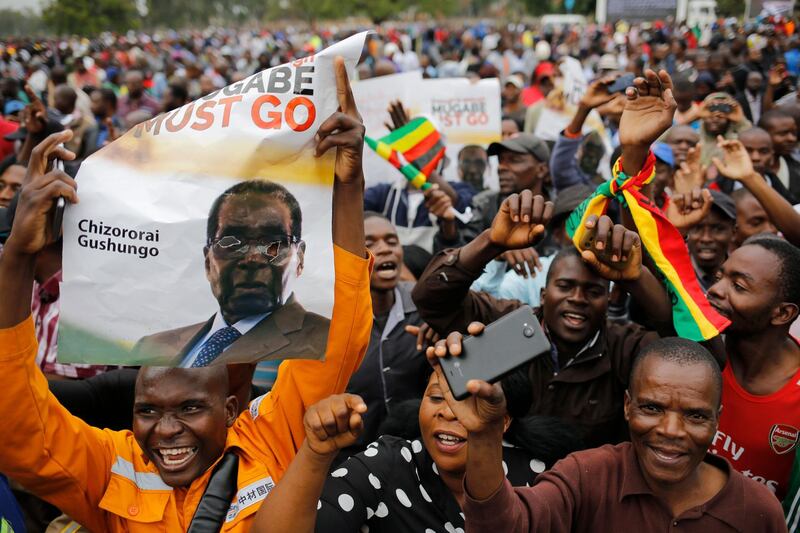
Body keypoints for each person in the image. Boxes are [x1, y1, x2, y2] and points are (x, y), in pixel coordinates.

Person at [0, 57, 372, 532]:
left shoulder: (270, 435)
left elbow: (341, 333)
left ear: (231, 410)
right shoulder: (113, 466)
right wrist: (16, 258)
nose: (168, 429)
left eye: (192, 408)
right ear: (207, 257)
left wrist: (348, 188)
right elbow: (18, 427)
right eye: (148, 411)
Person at [435, 336, 787, 532]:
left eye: (695, 416)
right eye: (652, 408)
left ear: (717, 420)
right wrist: (484, 434)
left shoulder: (757, 511)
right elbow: (505, 528)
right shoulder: (587, 477)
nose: (671, 431)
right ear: (627, 406)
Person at [250, 369, 540, 533]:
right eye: (437, 397)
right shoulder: (386, 466)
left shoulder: (537, 479)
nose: (450, 412)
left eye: (471, 402)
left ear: (503, 422)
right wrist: (315, 453)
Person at [134, 179, 329, 367]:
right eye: (230, 243)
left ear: (300, 258)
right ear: (208, 262)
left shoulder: (327, 341)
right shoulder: (151, 348)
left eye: (273, 244)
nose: (252, 258)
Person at [343, 211, 424, 451]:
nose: (385, 249)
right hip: (351, 459)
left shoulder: (426, 306)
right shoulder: (332, 320)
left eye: (392, 241)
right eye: (370, 243)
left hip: (417, 455)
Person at [685, 190, 736, 292]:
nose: (706, 238)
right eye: (697, 228)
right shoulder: (673, 274)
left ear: (734, 232)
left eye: (717, 229)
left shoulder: (741, 276)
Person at [759, 109, 800, 201]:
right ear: (763, 134)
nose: (792, 138)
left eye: (794, 133)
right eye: (783, 133)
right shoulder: (749, 170)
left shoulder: (796, 168)